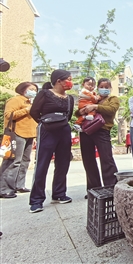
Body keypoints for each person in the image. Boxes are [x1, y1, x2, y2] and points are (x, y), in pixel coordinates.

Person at [29, 69, 74, 213]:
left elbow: (69, 115)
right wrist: (45, 123)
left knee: (63, 162)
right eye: (68, 79)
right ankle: (36, 200)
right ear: (58, 81)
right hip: (47, 130)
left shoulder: (70, 98)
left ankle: (59, 193)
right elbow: (34, 112)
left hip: (64, 130)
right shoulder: (45, 93)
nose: (70, 82)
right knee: (42, 163)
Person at [76, 78, 119, 196]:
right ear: (97, 87)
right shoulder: (91, 96)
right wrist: (82, 111)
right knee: (88, 160)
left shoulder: (113, 99)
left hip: (102, 130)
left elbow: (111, 110)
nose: (104, 89)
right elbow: (77, 111)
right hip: (86, 131)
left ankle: (111, 187)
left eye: (107, 87)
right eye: (101, 86)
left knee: (106, 159)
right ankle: (93, 188)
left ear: (110, 88)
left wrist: (95, 107)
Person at [0, 82, 38, 198]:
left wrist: (35, 136)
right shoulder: (15, 100)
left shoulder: (32, 102)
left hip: (30, 134)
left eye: (35, 89)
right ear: (23, 90)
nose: (34, 91)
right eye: (31, 89)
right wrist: (27, 109)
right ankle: (4, 189)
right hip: (17, 133)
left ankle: (19, 185)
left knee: (25, 161)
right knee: (13, 161)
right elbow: (8, 115)